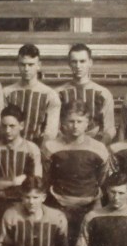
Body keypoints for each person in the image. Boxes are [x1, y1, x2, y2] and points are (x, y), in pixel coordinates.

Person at [42, 102, 115, 237]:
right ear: (62, 122)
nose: (75, 126)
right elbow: (46, 177)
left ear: (87, 123)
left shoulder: (98, 148)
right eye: (71, 121)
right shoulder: (51, 147)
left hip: (89, 205)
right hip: (59, 204)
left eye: (79, 121)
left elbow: (102, 178)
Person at [0, 105, 45, 221]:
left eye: (12, 126)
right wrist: (13, 181)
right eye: (4, 126)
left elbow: (36, 182)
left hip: (24, 203)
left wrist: (3, 182)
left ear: (21, 125)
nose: (7, 131)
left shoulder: (31, 149)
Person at [2, 42, 61, 143]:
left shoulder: (50, 95)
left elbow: (50, 132)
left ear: (39, 65)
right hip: (10, 147)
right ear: (18, 65)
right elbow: (1, 125)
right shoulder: (7, 92)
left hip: (39, 148)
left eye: (31, 64)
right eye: (23, 65)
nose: (26, 69)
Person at [58, 42, 115, 140]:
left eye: (82, 61)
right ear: (69, 64)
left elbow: (109, 129)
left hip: (94, 145)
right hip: (66, 146)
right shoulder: (59, 93)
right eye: (74, 62)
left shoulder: (103, 93)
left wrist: (99, 147)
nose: (78, 66)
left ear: (90, 63)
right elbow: (55, 127)